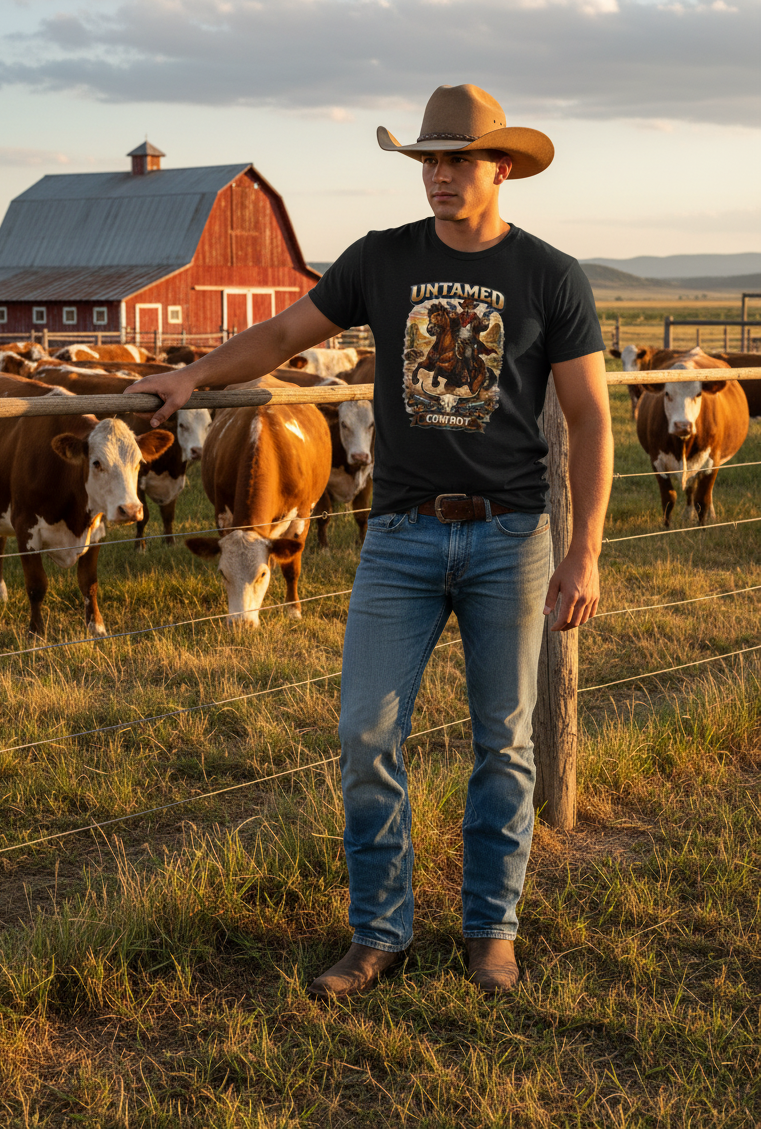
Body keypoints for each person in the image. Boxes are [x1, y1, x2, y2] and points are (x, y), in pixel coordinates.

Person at [125, 83, 614, 1000]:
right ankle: (379, 932)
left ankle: (490, 931)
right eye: (426, 161)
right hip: (397, 536)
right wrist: (192, 374)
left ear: (499, 168)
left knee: (504, 744)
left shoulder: (551, 275)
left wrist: (584, 549)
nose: (438, 176)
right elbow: (279, 335)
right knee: (364, 736)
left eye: (457, 160)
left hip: (512, 537)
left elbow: (588, 420)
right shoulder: (380, 262)